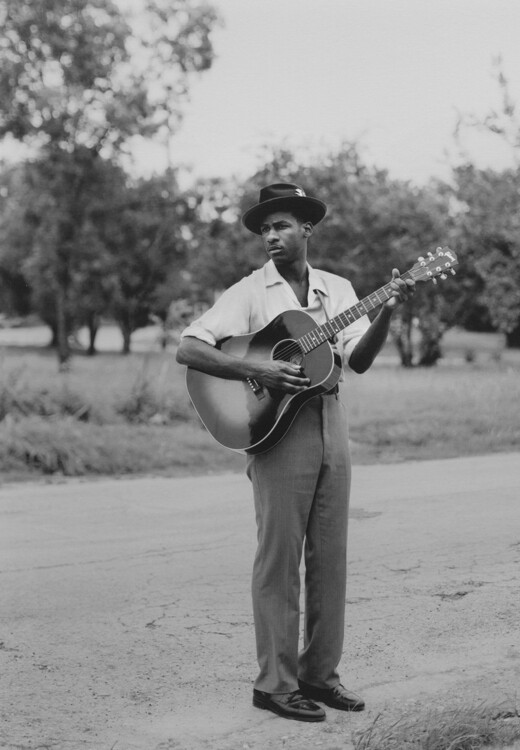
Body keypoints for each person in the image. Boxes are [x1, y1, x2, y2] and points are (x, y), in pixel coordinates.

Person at [176, 182, 414, 722]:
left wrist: (388, 313)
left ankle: (319, 676)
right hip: (277, 430)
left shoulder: (338, 288)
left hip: (331, 418)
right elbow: (188, 346)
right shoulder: (251, 291)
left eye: (281, 226)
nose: (271, 237)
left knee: (330, 557)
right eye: (264, 229)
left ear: (307, 228)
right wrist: (256, 368)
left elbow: (358, 360)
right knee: (279, 559)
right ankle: (274, 684)